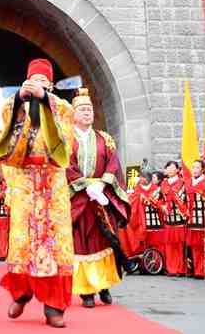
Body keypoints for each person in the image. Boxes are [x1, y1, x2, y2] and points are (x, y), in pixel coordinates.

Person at [0, 59, 74, 329]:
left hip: (52, 181)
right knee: (22, 240)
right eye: (33, 80)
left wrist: (44, 99)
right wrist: (18, 99)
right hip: (25, 180)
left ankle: (54, 306)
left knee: (55, 244)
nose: (37, 84)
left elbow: (65, 142)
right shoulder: (16, 106)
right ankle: (21, 293)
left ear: (51, 85)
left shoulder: (62, 107)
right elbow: (6, 124)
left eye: (43, 81)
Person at [66, 88, 130, 308]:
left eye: (90, 109)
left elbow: (113, 164)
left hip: (101, 198)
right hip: (79, 201)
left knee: (105, 241)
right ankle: (86, 291)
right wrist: (85, 186)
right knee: (82, 244)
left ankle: (104, 286)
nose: (87, 113)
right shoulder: (66, 139)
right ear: (74, 113)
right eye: (83, 109)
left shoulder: (105, 138)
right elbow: (66, 166)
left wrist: (101, 185)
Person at [159, 161, 188, 276]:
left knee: (180, 246)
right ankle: (171, 269)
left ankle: (181, 269)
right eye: (168, 168)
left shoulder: (183, 182)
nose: (170, 170)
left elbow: (187, 200)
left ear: (177, 170)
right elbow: (158, 198)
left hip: (180, 218)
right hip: (168, 219)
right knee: (169, 245)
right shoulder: (163, 183)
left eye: (172, 168)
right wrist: (162, 206)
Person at [185, 159, 205, 278]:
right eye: (193, 167)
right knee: (195, 246)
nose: (194, 170)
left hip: (203, 217)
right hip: (192, 218)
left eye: (197, 167)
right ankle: (197, 270)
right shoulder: (188, 182)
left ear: (202, 170)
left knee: (204, 246)